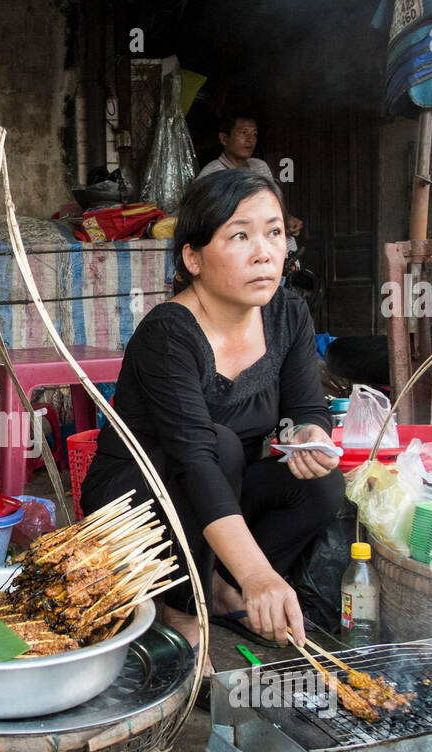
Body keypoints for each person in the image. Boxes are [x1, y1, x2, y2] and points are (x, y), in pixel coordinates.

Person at [80, 169, 343, 659]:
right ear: (194, 258)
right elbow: (195, 460)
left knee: (319, 483)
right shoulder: (169, 334)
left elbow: (306, 407)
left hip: (225, 489)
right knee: (220, 446)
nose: (264, 252)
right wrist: (260, 573)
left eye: (274, 232)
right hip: (139, 503)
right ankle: (166, 603)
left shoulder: (288, 314)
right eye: (240, 235)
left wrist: (310, 434)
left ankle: (220, 588)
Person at [198, 113, 303, 245]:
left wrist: (286, 219)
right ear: (224, 138)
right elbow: (206, 220)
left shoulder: (260, 166)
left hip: (261, 233)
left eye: (254, 134)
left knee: (289, 243)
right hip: (232, 240)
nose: (250, 140)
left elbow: (271, 204)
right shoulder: (213, 172)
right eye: (244, 132)